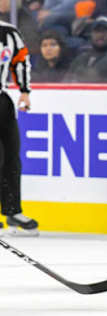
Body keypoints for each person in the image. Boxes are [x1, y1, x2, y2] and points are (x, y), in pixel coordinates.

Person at [0, 21, 39, 236]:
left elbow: (20, 59)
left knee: (12, 156)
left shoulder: (8, 32)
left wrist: (24, 91)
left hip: (2, 99)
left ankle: (13, 210)